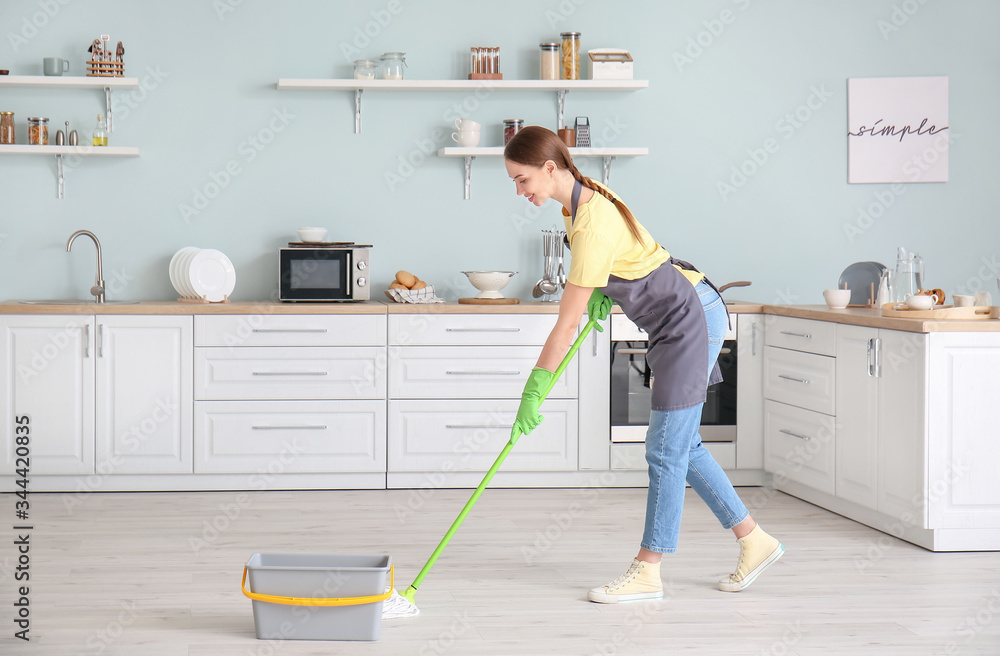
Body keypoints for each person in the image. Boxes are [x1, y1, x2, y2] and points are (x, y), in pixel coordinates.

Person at [504, 126, 784, 603]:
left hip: (687, 316)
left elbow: (563, 327)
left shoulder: (588, 221)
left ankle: (648, 570)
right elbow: (635, 255)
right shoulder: (580, 198)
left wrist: (534, 388)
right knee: (682, 444)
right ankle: (755, 541)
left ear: (551, 168)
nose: (520, 191)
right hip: (678, 310)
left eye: (523, 179)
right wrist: (604, 293)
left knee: (664, 449)